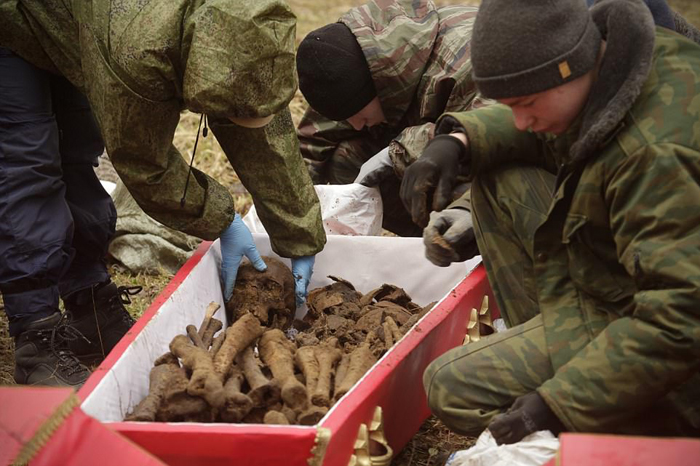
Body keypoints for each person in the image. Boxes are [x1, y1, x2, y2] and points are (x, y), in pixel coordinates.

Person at [406, 0, 700, 443]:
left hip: (671, 351)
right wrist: (460, 140)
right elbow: (563, 131)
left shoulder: (656, 155)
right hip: (619, 283)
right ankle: (557, 353)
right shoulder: (620, 61)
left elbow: (682, 318)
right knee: (500, 177)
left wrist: (559, 403)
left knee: (450, 388)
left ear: (570, 67)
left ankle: (623, 424)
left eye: (526, 103)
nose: (521, 121)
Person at [0, 0, 326, 387]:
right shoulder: (136, 51)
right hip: (14, 18)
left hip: (73, 18)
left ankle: (89, 301)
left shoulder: (242, 28)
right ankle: (36, 330)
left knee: (76, 148)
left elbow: (260, 126)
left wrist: (298, 234)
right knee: (28, 164)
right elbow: (144, 164)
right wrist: (222, 219)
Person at [295, 0, 483, 237]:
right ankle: (420, 240)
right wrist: (295, 218)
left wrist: (401, 151)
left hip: (497, 172)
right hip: (434, 151)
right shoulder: (353, 66)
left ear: (377, 87)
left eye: (358, 115)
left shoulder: (469, 62)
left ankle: (459, 243)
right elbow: (310, 145)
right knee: (345, 157)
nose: (355, 125)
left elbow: (498, 132)